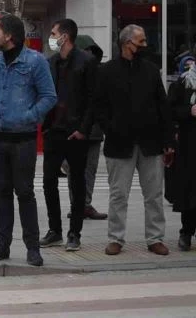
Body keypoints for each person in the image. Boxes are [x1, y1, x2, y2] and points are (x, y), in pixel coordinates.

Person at [0, 14, 57, 267]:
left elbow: (48, 96)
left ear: (9, 36)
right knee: (2, 192)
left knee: (24, 192)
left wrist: (29, 116)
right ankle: (2, 245)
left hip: (22, 138)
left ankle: (32, 248)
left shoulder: (35, 62)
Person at [94, 24, 174, 256]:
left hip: (151, 143)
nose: (145, 45)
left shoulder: (151, 70)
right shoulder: (107, 71)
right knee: (119, 194)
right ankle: (116, 239)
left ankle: (155, 238)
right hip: (119, 144)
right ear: (127, 44)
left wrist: (169, 140)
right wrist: (111, 128)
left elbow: (163, 107)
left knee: (154, 194)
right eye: (141, 41)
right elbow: (99, 107)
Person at [39, 19, 97, 252]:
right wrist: (45, 125)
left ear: (65, 36)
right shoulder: (51, 62)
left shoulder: (87, 62)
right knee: (48, 181)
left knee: (77, 181)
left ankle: (75, 233)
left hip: (76, 132)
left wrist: (83, 129)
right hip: (54, 129)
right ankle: (55, 230)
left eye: (53, 33)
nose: (51, 37)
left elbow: (93, 100)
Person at [67, 44, 108, 221]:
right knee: (74, 169)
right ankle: (79, 204)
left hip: (92, 131)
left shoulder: (100, 74)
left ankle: (84, 204)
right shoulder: (70, 72)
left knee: (88, 169)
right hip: (75, 130)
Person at [166, 56, 196, 251]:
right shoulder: (184, 82)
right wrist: (189, 111)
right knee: (190, 191)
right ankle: (186, 232)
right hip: (190, 146)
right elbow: (170, 110)